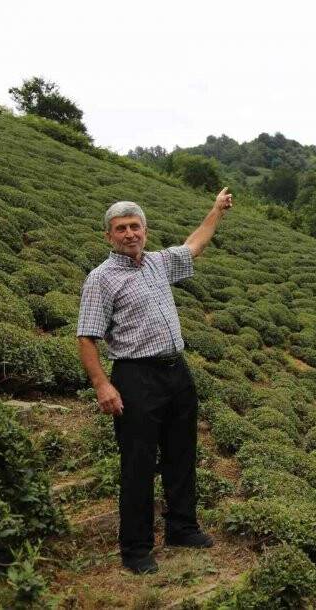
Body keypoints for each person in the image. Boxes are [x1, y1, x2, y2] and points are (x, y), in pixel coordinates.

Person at [76, 188, 233, 574]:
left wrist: (216, 211)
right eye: (121, 228)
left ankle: (182, 527)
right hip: (135, 376)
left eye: (135, 226)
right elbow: (86, 336)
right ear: (108, 236)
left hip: (175, 371)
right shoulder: (101, 279)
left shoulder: (158, 264)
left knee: (182, 453)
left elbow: (194, 245)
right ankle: (136, 548)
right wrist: (102, 385)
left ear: (145, 230)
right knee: (138, 463)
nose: (130, 233)